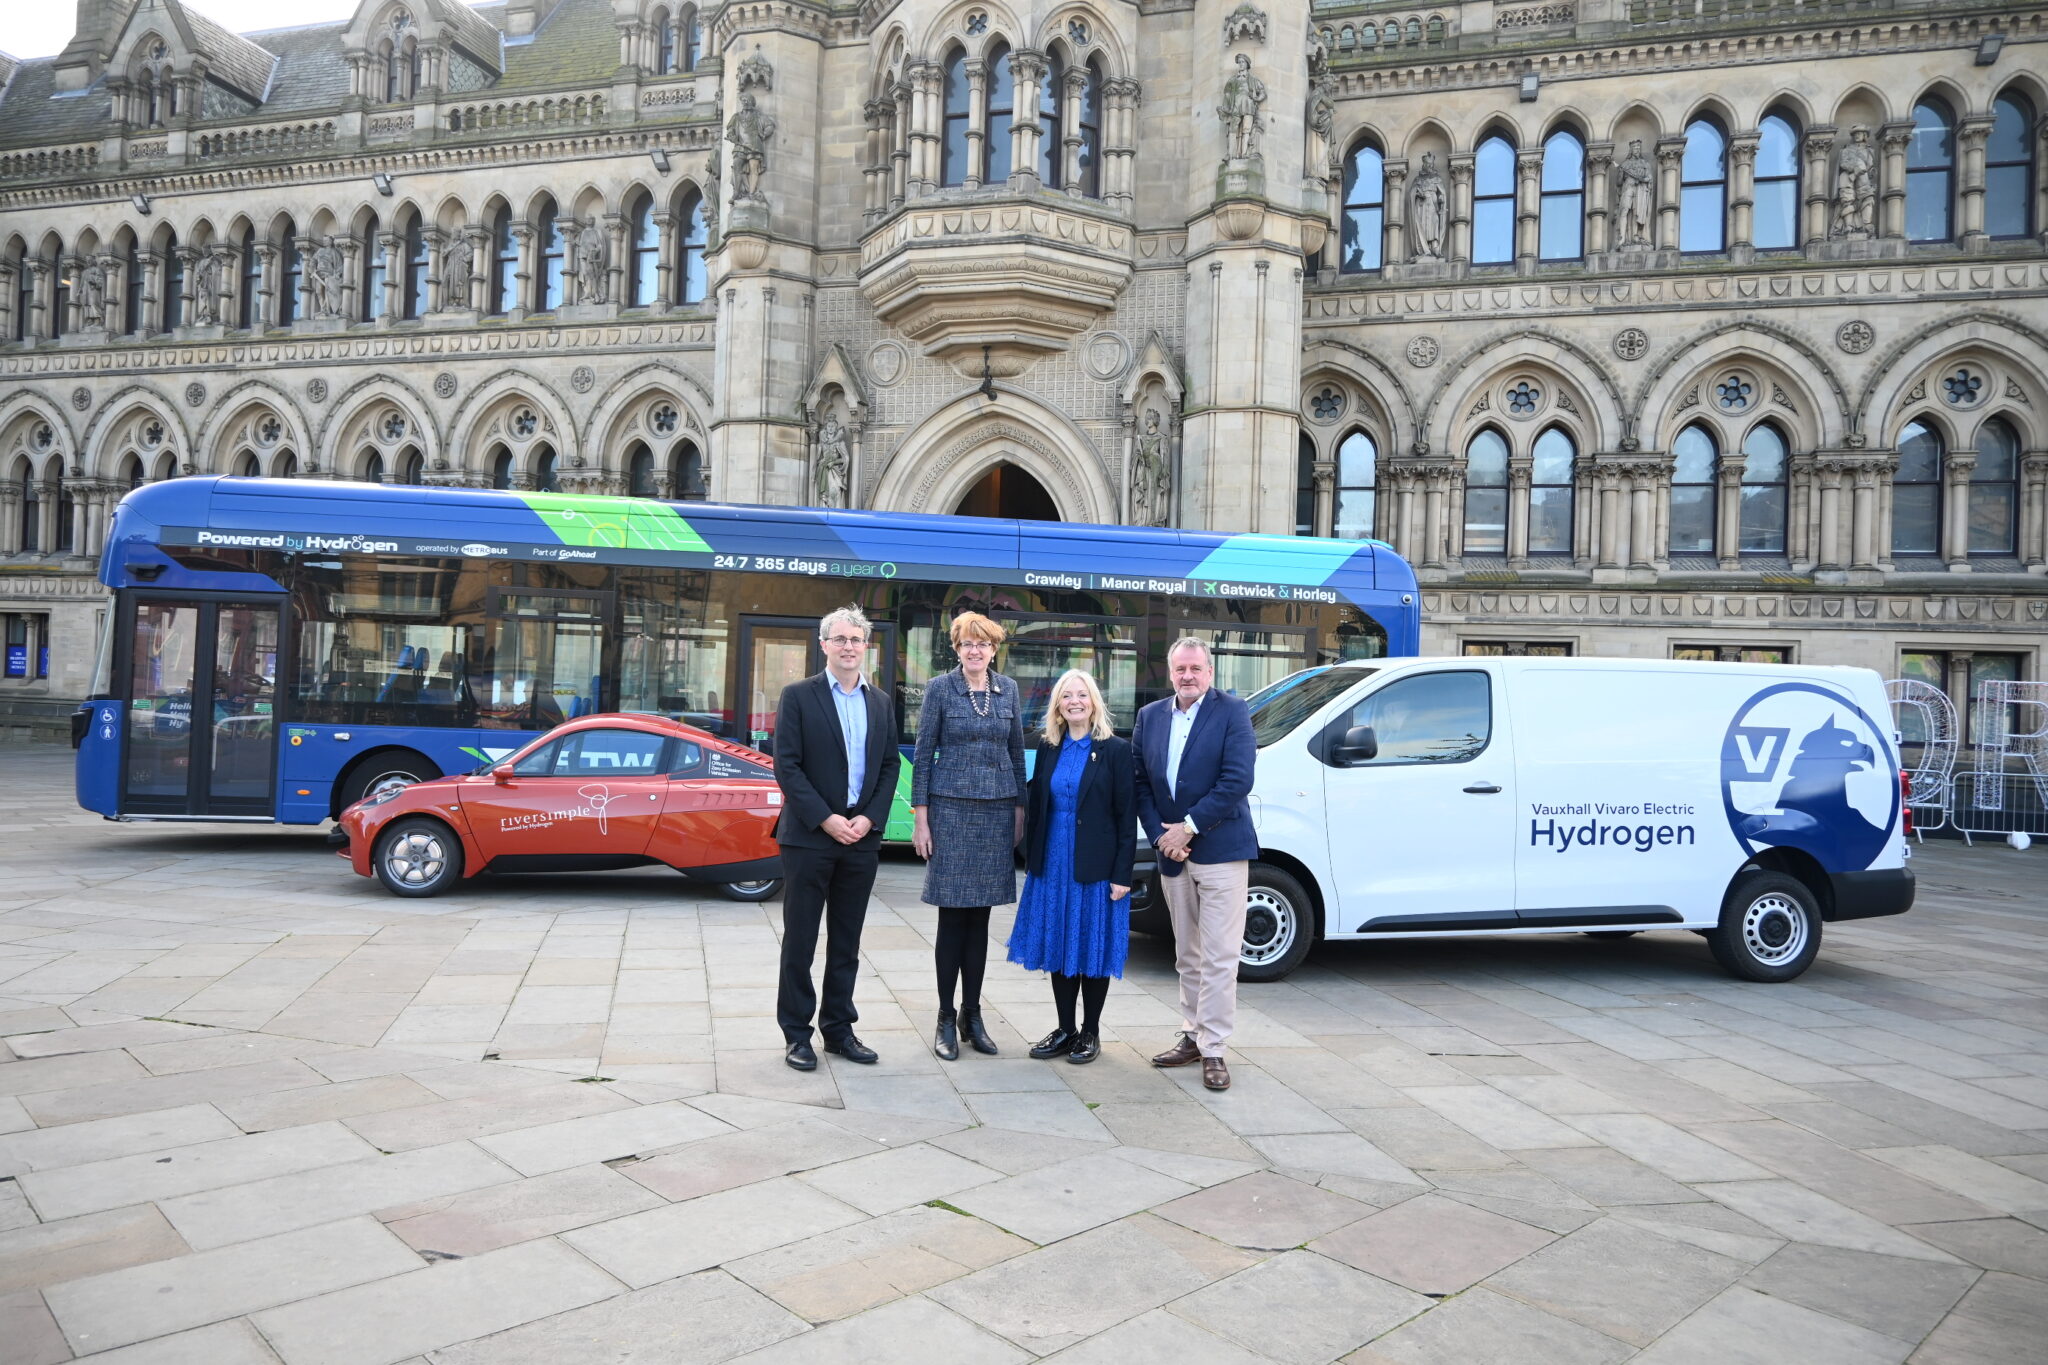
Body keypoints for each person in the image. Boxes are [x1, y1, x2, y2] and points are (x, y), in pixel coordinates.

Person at [771, 605, 901, 1071]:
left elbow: (889, 766)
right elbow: (786, 764)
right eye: (840, 639)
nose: (849, 647)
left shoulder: (881, 702)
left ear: (866, 646)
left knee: (846, 941)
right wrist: (825, 818)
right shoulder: (798, 696)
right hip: (809, 837)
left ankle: (839, 1030)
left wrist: (869, 819)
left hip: (860, 838)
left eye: (856, 639)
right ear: (823, 644)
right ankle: (797, 1035)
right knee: (801, 940)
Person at [1132, 637, 1257, 1091]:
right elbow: (1140, 781)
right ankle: (1191, 1035)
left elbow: (1238, 779)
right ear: (1170, 672)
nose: (1187, 676)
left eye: (1195, 669)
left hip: (1221, 850)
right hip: (1172, 854)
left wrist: (1188, 827)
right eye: (1180, 669)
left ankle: (1216, 1049)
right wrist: (1164, 837)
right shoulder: (1150, 717)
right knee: (1187, 954)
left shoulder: (1232, 711)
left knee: (1221, 957)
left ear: (1210, 672)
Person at [912, 611, 1027, 1060]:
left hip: (997, 811)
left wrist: (1019, 809)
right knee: (951, 918)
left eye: (983, 643)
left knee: (980, 920)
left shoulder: (1009, 690)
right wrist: (922, 819)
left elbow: (1016, 752)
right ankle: (944, 1016)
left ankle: (972, 1014)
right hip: (951, 810)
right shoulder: (941, 688)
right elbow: (923, 756)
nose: (975, 650)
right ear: (956, 649)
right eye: (966, 643)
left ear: (994, 649)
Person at [1008, 669, 1136, 1064]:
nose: (1075, 701)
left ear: (1094, 701)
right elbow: (1039, 805)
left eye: (1082, 694)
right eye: (1067, 696)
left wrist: (1122, 875)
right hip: (1053, 863)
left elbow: (1125, 816)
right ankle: (1065, 1029)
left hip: (1095, 866)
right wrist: (1032, 857)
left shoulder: (1114, 750)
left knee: (1091, 949)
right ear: (1058, 705)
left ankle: (1090, 1032)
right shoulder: (1049, 747)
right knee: (1061, 945)